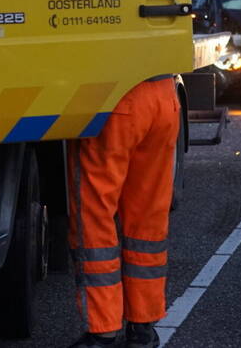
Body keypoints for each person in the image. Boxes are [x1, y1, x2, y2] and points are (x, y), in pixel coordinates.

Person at [65, 76, 180, 348]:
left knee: (94, 218)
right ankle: (143, 327)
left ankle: (103, 330)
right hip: (164, 97)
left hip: (115, 98)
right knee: (148, 220)